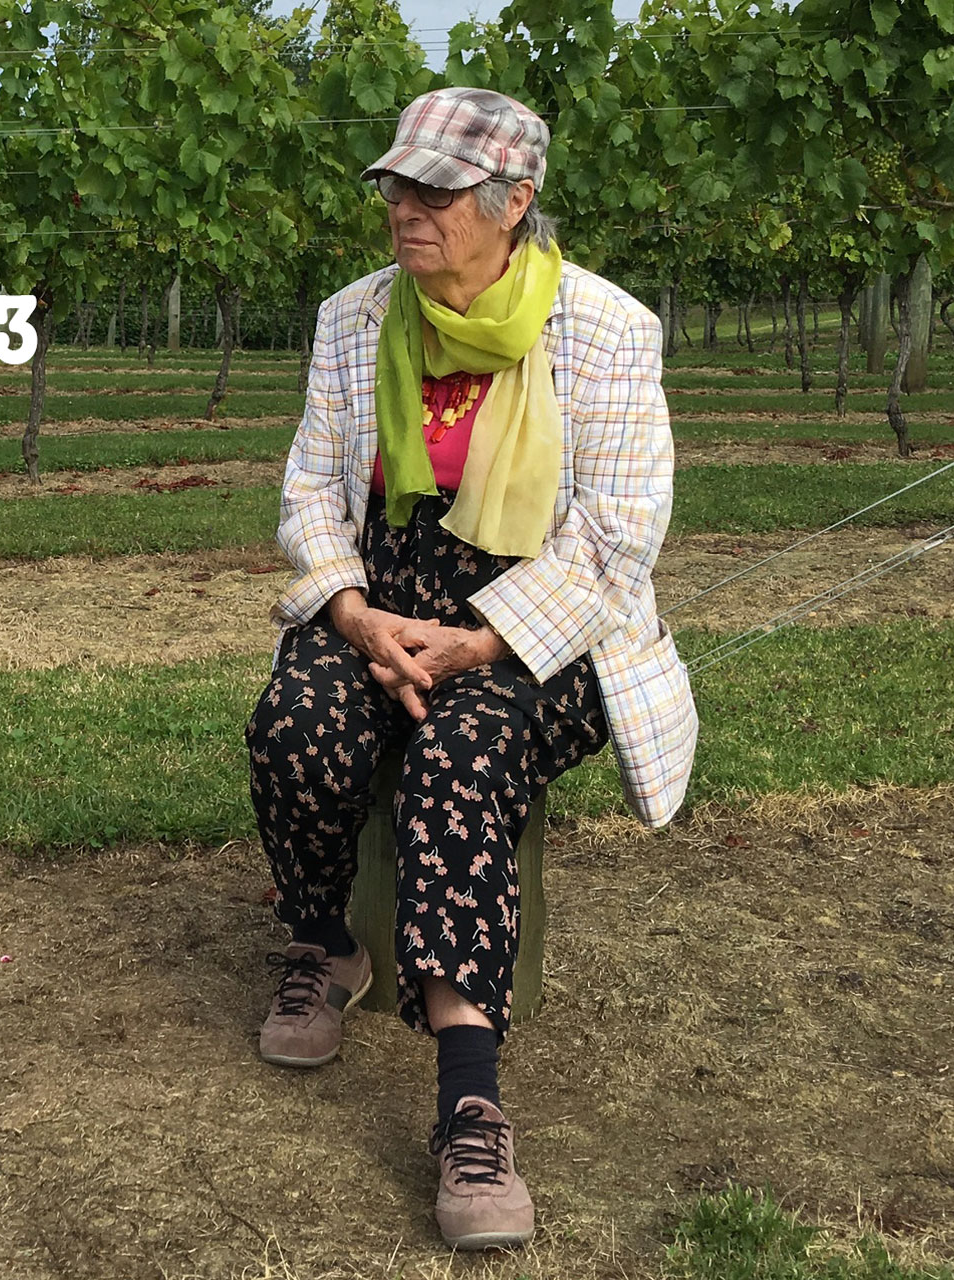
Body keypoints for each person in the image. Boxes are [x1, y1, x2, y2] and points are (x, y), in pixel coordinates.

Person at [244, 86, 698, 1250]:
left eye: (434, 191)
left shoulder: (603, 328)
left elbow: (617, 531)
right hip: (384, 607)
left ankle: (468, 1100)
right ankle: (323, 942)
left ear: (515, 202)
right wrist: (353, 616)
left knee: (463, 751)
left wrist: (485, 640)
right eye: (397, 184)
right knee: (297, 719)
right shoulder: (353, 319)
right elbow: (308, 489)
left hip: (535, 630)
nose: (405, 208)